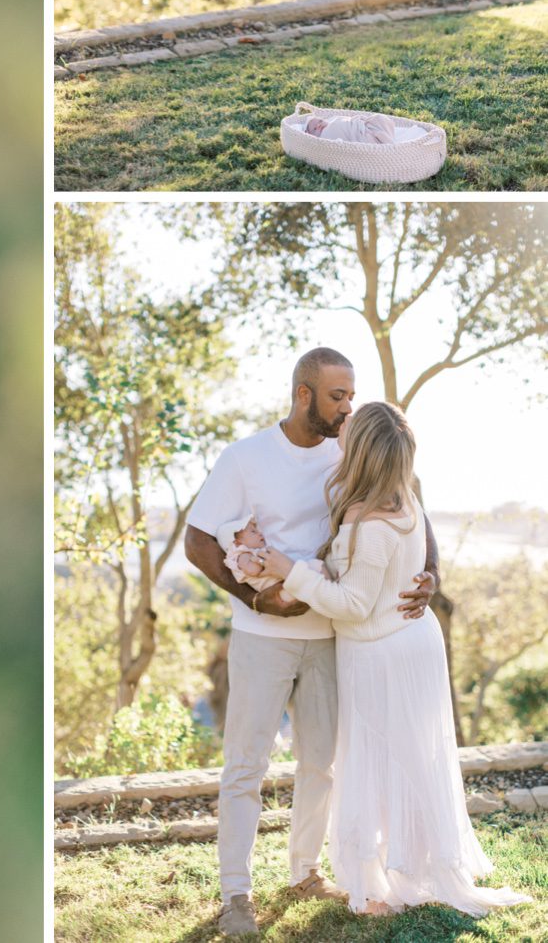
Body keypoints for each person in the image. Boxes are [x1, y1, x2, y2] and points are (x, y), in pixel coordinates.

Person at [183, 347, 441, 937]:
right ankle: (236, 895)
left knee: (320, 765)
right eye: (337, 396)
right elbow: (197, 542)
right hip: (261, 637)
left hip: (332, 638)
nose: (349, 407)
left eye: (352, 395)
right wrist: (254, 599)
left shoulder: (354, 453)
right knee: (245, 766)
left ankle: (305, 872)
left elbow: (415, 512)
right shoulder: (245, 457)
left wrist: (431, 576)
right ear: (303, 395)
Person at [259, 403, 529, 919]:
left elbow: (353, 604)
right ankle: (409, 867)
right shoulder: (403, 501)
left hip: (380, 652)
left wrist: (290, 571)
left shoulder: (370, 522)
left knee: (374, 763)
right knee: (409, 761)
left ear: (360, 451)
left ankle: (379, 888)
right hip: (412, 641)